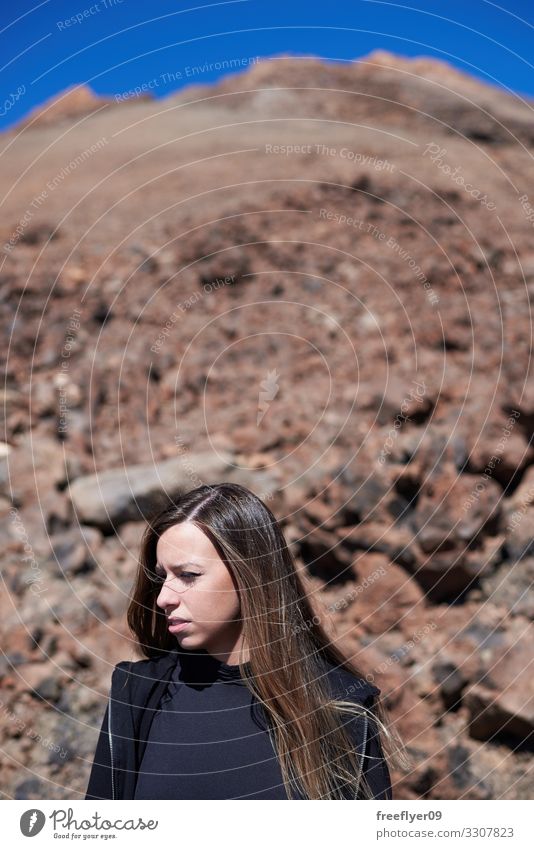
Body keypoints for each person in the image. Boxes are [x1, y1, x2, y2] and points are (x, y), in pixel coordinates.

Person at [85, 482, 405, 800]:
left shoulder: (341, 707)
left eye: (188, 575)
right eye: (162, 577)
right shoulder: (137, 696)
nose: (164, 597)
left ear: (249, 573)